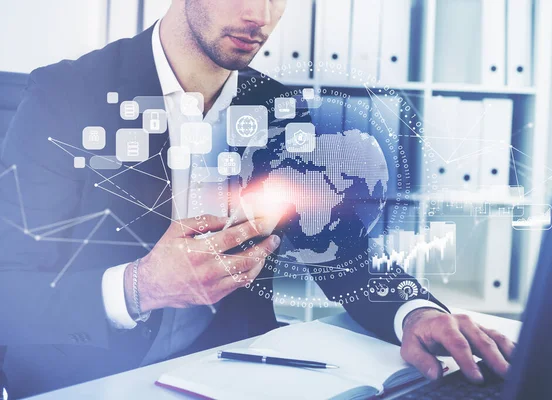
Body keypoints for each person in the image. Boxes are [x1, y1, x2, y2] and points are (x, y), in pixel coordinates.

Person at [0, 0, 513, 397]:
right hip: (89, 381)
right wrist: (141, 287)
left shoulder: (277, 109)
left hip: (230, 374)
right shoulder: (64, 97)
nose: (260, 17)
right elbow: (9, 292)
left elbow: (342, 252)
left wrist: (415, 313)